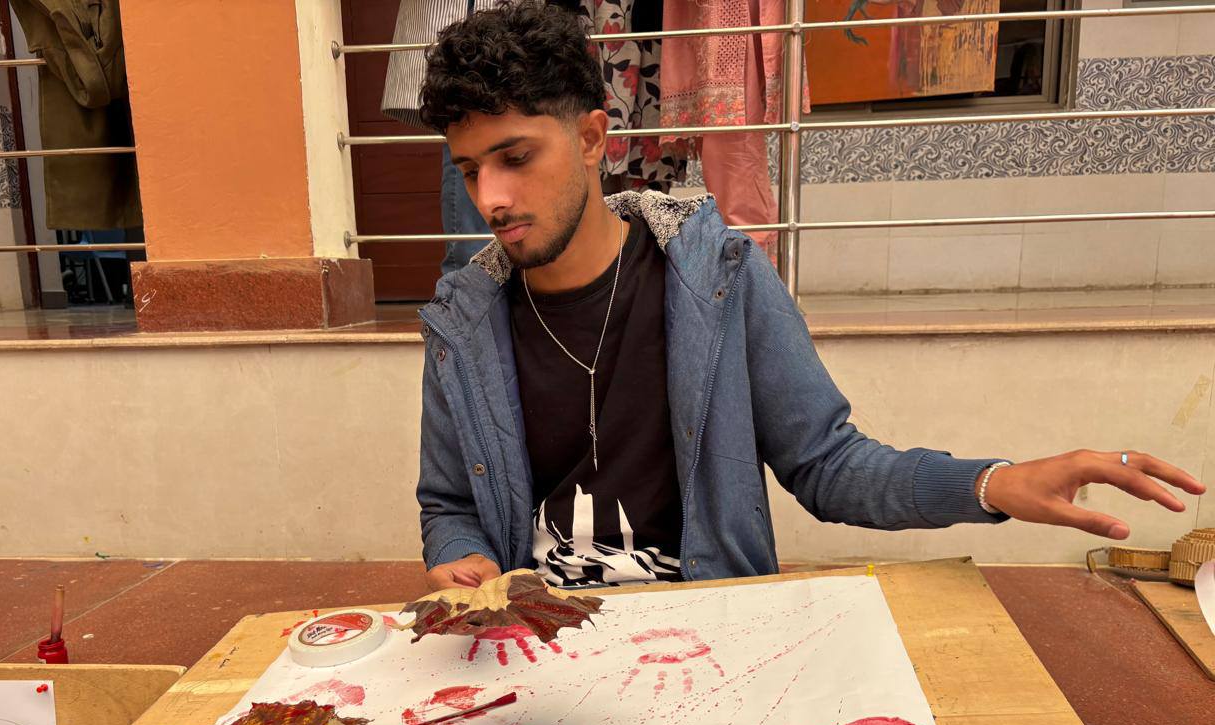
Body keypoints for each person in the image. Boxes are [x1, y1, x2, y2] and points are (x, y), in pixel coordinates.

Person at [413, 1, 1205, 591]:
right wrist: (462, 557)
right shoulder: (464, 322)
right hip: (539, 645)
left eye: (515, 158)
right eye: (470, 170)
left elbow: (827, 465)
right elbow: (448, 505)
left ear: (592, 138)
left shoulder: (718, 279)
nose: (491, 198)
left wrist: (990, 483)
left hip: (707, 635)